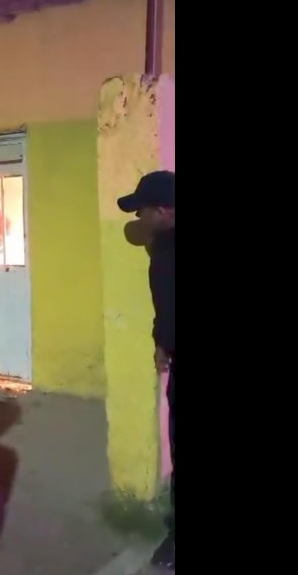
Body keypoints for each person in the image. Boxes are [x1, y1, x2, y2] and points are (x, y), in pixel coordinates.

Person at [117, 170, 175, 570]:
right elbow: (165, 305)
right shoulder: (161, 248)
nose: (138, 217)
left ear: (163, 211)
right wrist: (160, 342)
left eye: (142, 210)